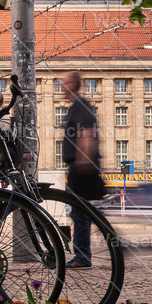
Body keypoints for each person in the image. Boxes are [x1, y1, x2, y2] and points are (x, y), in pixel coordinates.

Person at [61, 71, 103, 269]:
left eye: (64, 82)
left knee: (81, 214)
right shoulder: (76, 106)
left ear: (73, 84)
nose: (61, 86)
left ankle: (82, 257)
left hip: (81, 166)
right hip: (79, 166)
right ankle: (85, 253)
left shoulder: (81, 106)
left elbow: (86, 135)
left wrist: (82, 163)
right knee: (82, 213)